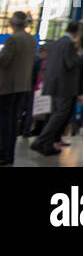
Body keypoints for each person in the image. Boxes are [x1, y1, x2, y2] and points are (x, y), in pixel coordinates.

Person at [30, 20, 81, 156]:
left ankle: (46, 144)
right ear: (76, 32)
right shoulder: (70, 45)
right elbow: (70, 63)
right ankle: (41, 141)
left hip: (51, 84)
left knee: (52, 114)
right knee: (60, 114)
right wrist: (79, 55)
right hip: (64, 86)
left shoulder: (55, 43)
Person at [0, 11, 37, 166]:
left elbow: (4, 61)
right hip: (23, 85)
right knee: (14, 120)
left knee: (4, 122)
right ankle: (9, 154)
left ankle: (3, 154)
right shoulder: (32, 39)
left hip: (8, 86)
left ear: (13, 23)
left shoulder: (13, 39)